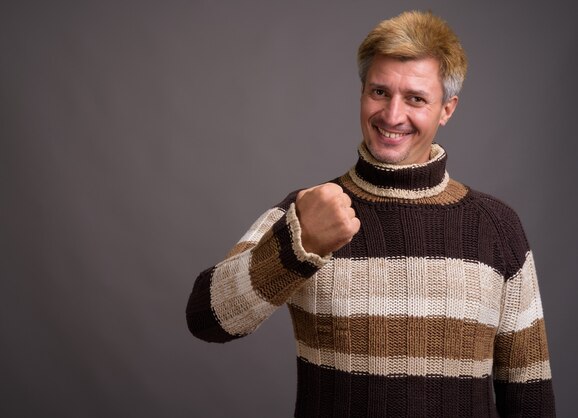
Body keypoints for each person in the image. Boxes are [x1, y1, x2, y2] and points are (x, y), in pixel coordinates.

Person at [186, 10, 555, 417]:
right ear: (362, 92)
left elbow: (529, 393)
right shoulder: (309, 210)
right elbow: (207, 318)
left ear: (447, 109)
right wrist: (297, 246)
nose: (392, 115)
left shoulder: (497, 227)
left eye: (415, 98)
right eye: (379, 92)